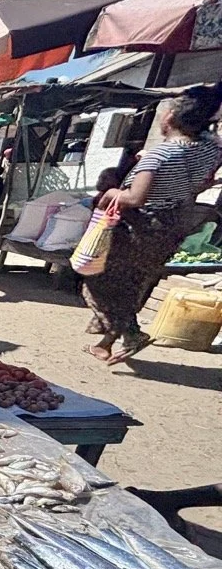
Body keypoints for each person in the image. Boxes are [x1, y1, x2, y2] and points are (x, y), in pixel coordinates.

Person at [83, 83, 222, 366]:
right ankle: (106, 343)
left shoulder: (160, 156)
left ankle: (132, 334)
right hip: (170, 227)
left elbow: (135, 198)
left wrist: (110, 193)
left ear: (170, 117)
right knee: (132, 282)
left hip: (138, 227)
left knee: (98, 281)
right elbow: (203, 181)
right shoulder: (210, 150)